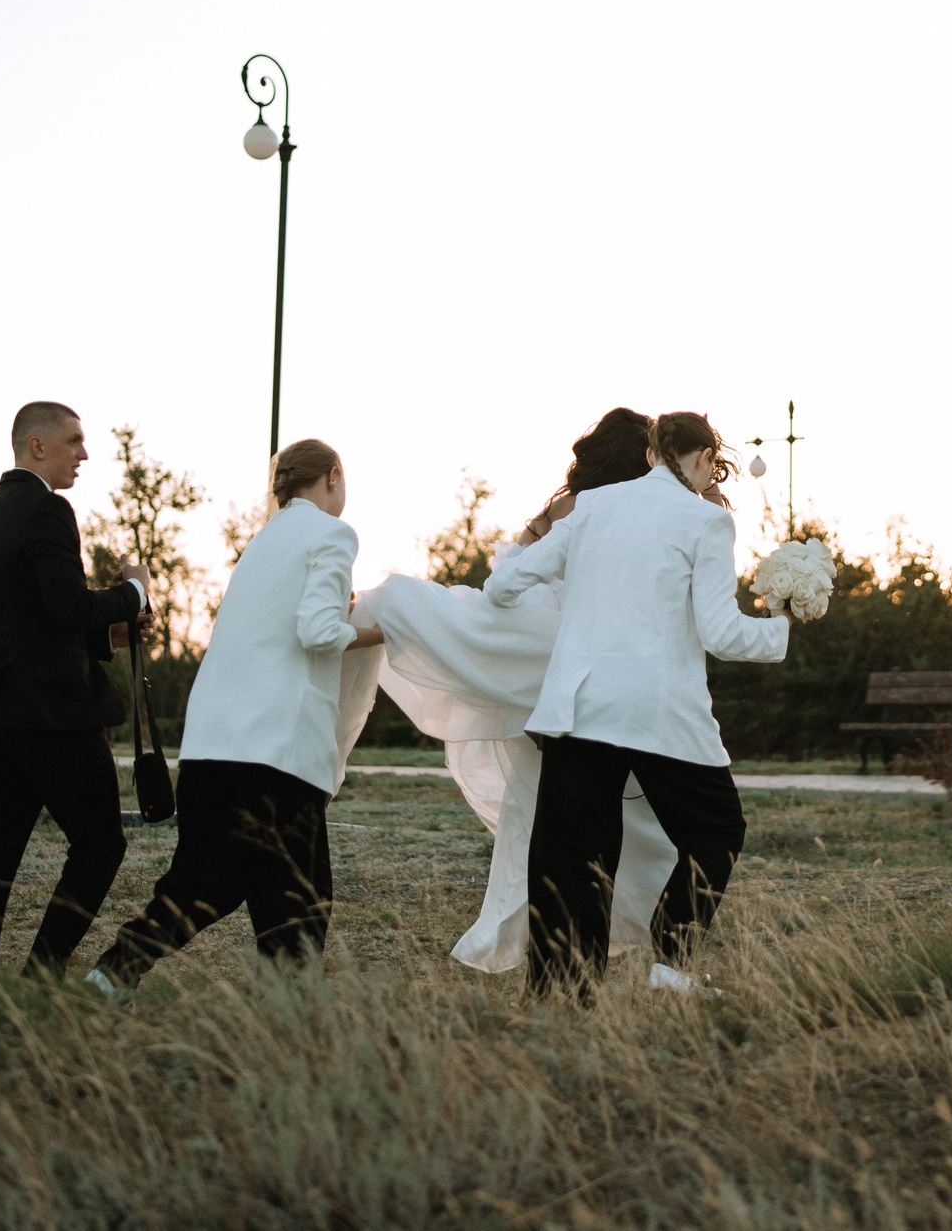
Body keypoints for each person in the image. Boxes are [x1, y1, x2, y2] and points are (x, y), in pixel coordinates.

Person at [357, 409, 685, 972]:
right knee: (587, 816)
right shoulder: (633, 508)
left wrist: (534, 533)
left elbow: (510, 575)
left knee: (541, 818)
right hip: (582, 650)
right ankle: (599, 944)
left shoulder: (573, 506)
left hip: (558, 648)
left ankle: (551, 954)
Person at [485, 411, 789, 996]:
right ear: (703, 458)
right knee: (717, 828)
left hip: (577, 709)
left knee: (571, 859)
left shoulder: (594, 506)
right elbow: (723, 635)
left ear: (652, 454)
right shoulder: (706, 522)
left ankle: (560, 994)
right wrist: (779, 627)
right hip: (656, 714)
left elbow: (502, 587)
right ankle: (671, 961)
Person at [88, 439, 385, 992]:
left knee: (204, 883)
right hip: (276, 750)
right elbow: (317, 631)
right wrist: (380, 633)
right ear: (333, 476)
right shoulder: (334, 533)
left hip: (210, 743)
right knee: (300, 899)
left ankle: (109, 978)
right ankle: (286, 1020)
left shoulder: (262, 542)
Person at [0, 401, 153, 975]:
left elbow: (30, 627)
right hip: (53, 719)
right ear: (37, 447)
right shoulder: (49, 510)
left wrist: (114, 637)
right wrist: (135, 593)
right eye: (73, 440)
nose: (85, 453)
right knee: (101, 846)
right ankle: (42, 974)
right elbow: (70, 606)